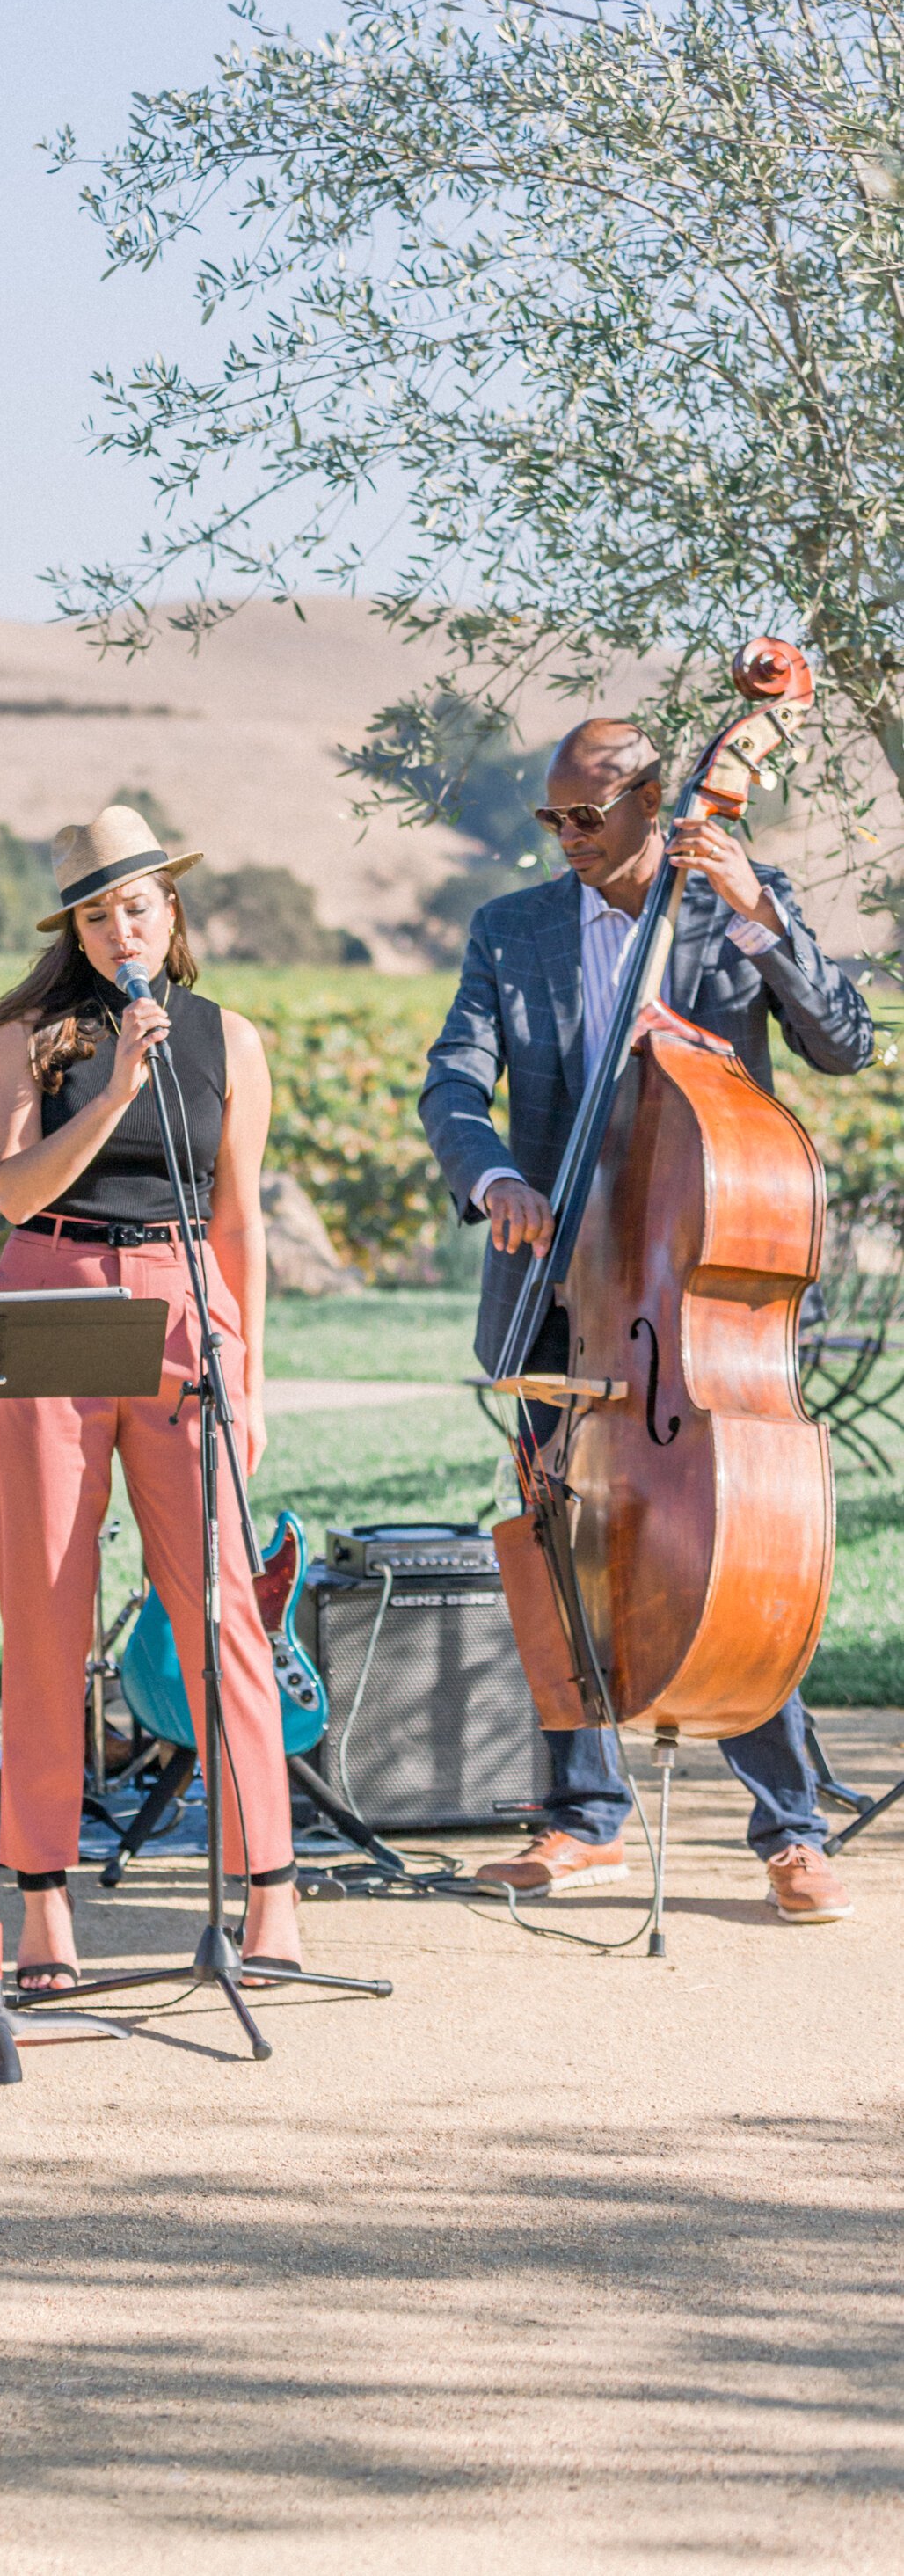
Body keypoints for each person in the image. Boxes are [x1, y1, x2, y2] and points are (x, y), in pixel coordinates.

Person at [420, 717, 875, 1924]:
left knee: (729, 1550)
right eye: (552, 821)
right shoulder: (509, 929)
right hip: (555, 1289)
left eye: (590, 817)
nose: (568, 839)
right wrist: (491, 1177)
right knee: (565, 1549)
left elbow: (845, 1042)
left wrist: (759, 917)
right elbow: (453, 1083)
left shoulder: (733, 901)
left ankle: (789, 1828)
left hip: (701, 1298)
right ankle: (582, 1819)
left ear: (653, 801)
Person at [0, 805, 297, 1989]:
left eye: (144, 900)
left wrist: (251, 1373)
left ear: (172, 908)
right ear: (76, 923)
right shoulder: (26, 1035)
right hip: (55, 1285)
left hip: (183, 1304)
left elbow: (240, 1216)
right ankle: (45, 1908)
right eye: (103, 908)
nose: (127, 923)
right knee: (50, 1609)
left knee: (222, 1606)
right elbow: (14, 1193)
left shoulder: (231, 1039)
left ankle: (270, 1890)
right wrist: (112, 1089)